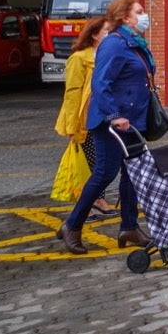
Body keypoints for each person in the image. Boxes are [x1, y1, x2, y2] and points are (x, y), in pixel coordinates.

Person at [56, 0, 155, 255]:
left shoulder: (132, 42)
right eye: (139, 11)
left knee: (132, 173)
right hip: (113, 122)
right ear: (125, 17)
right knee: (104, 172)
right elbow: (100, 84)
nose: (144, 16)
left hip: (131, 120)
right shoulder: (114, 43)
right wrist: (114, 115)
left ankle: (129, 227)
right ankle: (72, 225)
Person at [53, 16, 116, 218]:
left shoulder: (106, 55)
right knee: (89, 164)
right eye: (106, 31)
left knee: (101, 161)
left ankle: (98, 199)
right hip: (85, 120)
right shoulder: (79, 58)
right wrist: (71, 125)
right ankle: (87, 204)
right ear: (95, 34)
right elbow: (72, 94)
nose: (109, 35)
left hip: (104, 116)